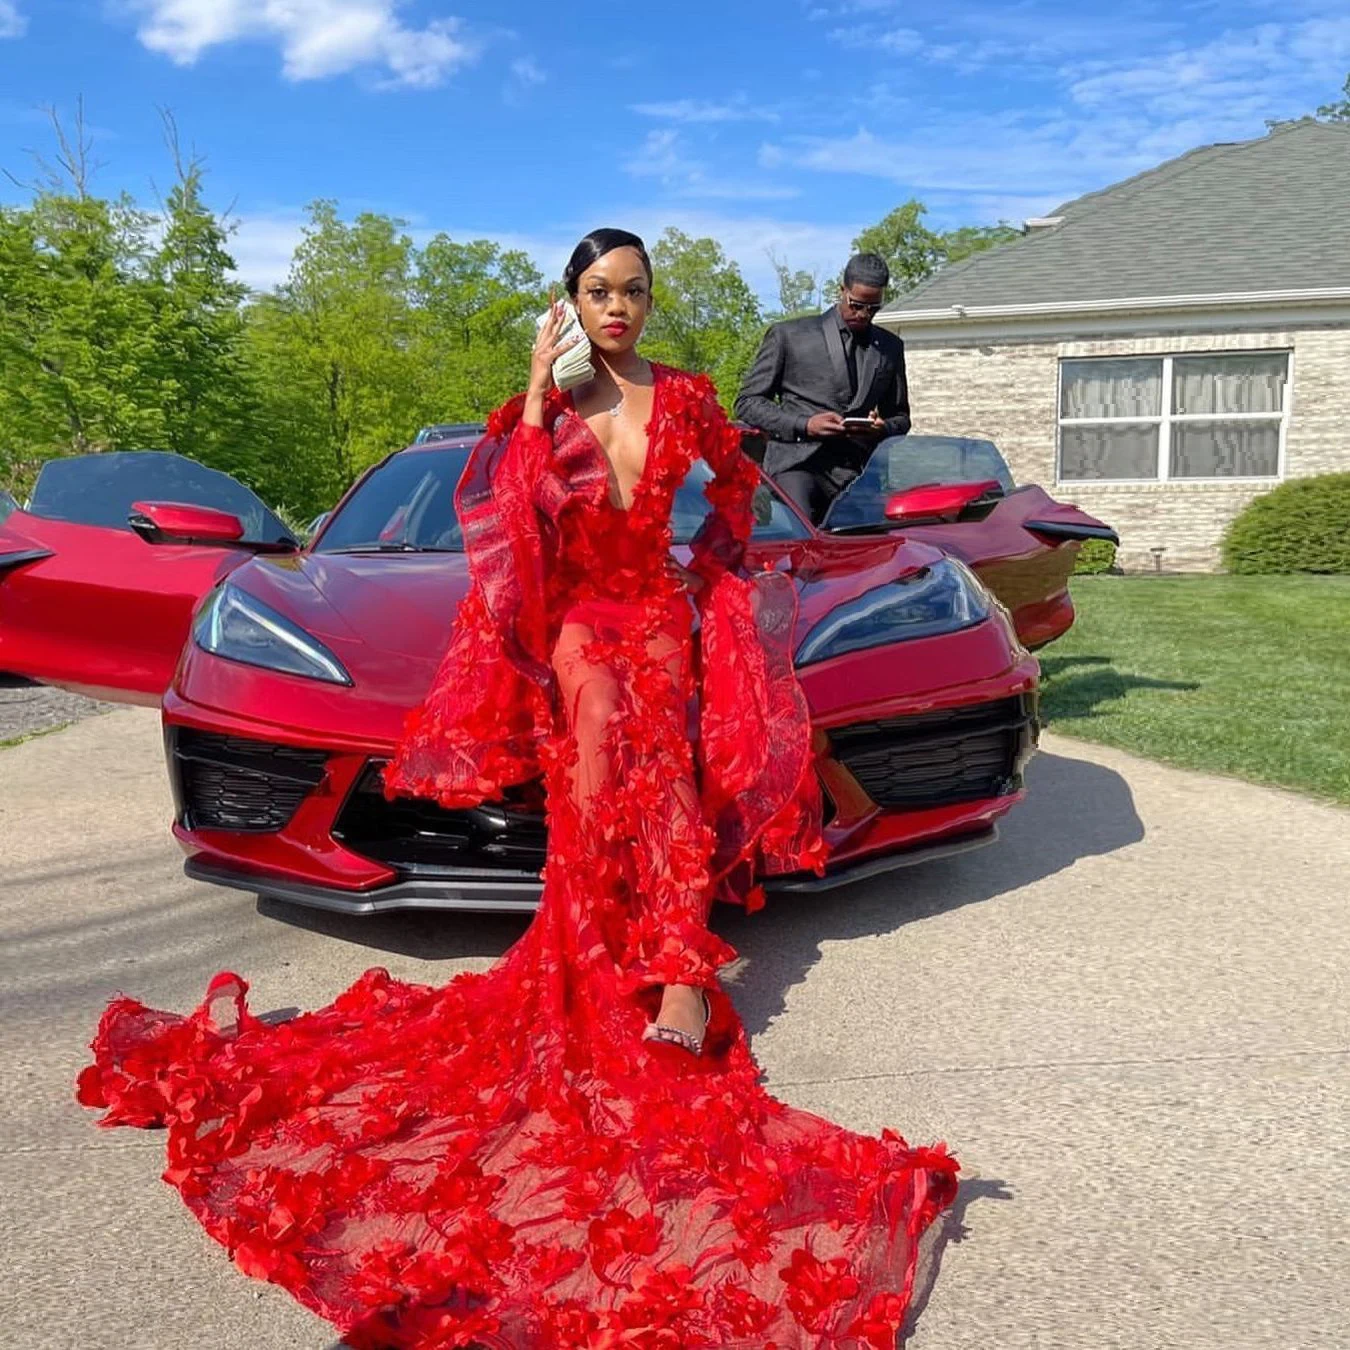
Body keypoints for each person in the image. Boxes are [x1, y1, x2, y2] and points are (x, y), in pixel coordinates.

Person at [77, 229, 957, 1348]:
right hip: (583, 626)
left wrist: (717, 586)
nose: (619, 307)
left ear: (651, 298)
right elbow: (506, 522)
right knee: (598, 759)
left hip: (664, 615)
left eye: (634, 290)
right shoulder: (532, 412)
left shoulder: (685, 399)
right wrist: (540, 402)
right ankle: (600, 963)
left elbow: (737, 497)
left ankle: (679, 976)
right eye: (598, 292)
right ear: (571, 302)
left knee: (675, 784)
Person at [735, 252, 911, 522]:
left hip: (857, 475)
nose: (864, 314)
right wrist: (804, 424)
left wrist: (883, 427)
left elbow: (901, 417)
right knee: (802, 543)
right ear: (842, 290)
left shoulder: (890, 347)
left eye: (873, 308)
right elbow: (747, 403)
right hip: (796, 464)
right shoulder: (789, 336)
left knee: (871, 552)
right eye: (856, 305)